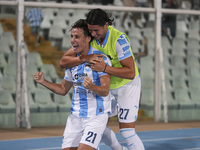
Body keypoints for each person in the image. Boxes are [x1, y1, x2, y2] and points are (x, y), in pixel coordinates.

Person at [60, 8, 145, 150]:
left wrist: (104, 68)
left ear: (106, 24)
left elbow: (130, 72)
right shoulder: (91, 37)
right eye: (90, 30)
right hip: (107, 86)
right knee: (98, 123)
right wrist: (85, 58)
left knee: (127, 131)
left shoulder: (118, 39)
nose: (93, 34)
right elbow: (63, 61)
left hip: (127, 86)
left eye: (96, 30)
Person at [34, 19, 112, 150]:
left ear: (88, 38)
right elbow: (63, 89)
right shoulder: (72, 62)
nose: (72, 40)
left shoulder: (100, 59)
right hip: (75, 117)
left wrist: (92, 87)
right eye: (71, 36)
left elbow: (105, 91)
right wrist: (43, 82)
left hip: (96, 116)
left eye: (77, 37)